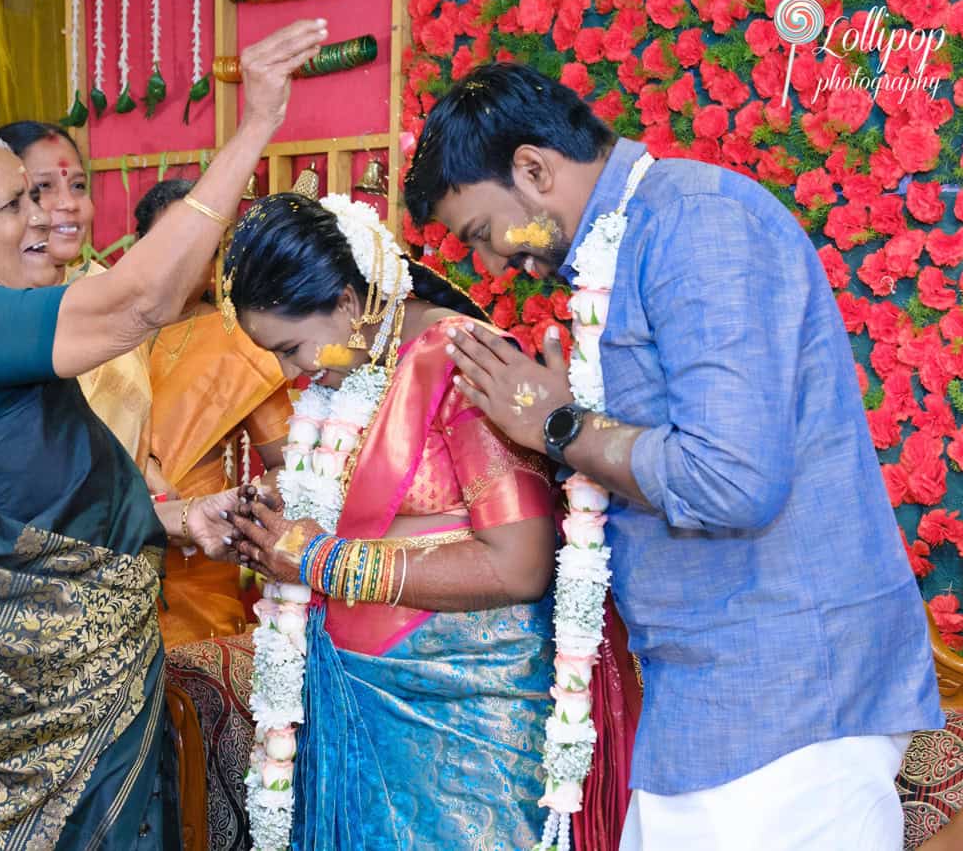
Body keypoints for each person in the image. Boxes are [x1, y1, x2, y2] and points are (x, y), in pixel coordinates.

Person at [405, 62, 942, 849]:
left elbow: (732, 478)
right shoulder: (635, 242)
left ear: (533, 168)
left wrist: (560, 427)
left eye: (485, 233)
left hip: (787, 694)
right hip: (712, 696)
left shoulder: (698, 225)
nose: (487, 266)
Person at [0, 20, 328, 849]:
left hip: (90, 711)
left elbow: (35, 512)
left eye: (44, 195)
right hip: (20, 734)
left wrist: (182, 521)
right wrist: (255, 125)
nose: (47, 216)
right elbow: (141, 302)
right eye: (17, 202)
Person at [218, 192, 635, 848]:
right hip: (362, 715)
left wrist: (319, 559)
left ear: (349, 306)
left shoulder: (462, 360)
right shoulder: (353, 378)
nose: (288, 370)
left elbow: (519, 562)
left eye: (292, 346)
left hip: (465, 735)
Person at [133, 178, 293, 647]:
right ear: (139, 248)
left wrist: (235, 511)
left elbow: (289, 466)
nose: (180, 264)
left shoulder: (241, 343)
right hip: (108, 544)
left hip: (196, 561)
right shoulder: (104, 332)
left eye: (197, 249)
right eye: (166, 246)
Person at [0, 120, 156, 468]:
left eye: (79, 185)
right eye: (43, 188)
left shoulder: (114, 292)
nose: (68, 203)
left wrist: (149, 468)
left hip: (124, 513)